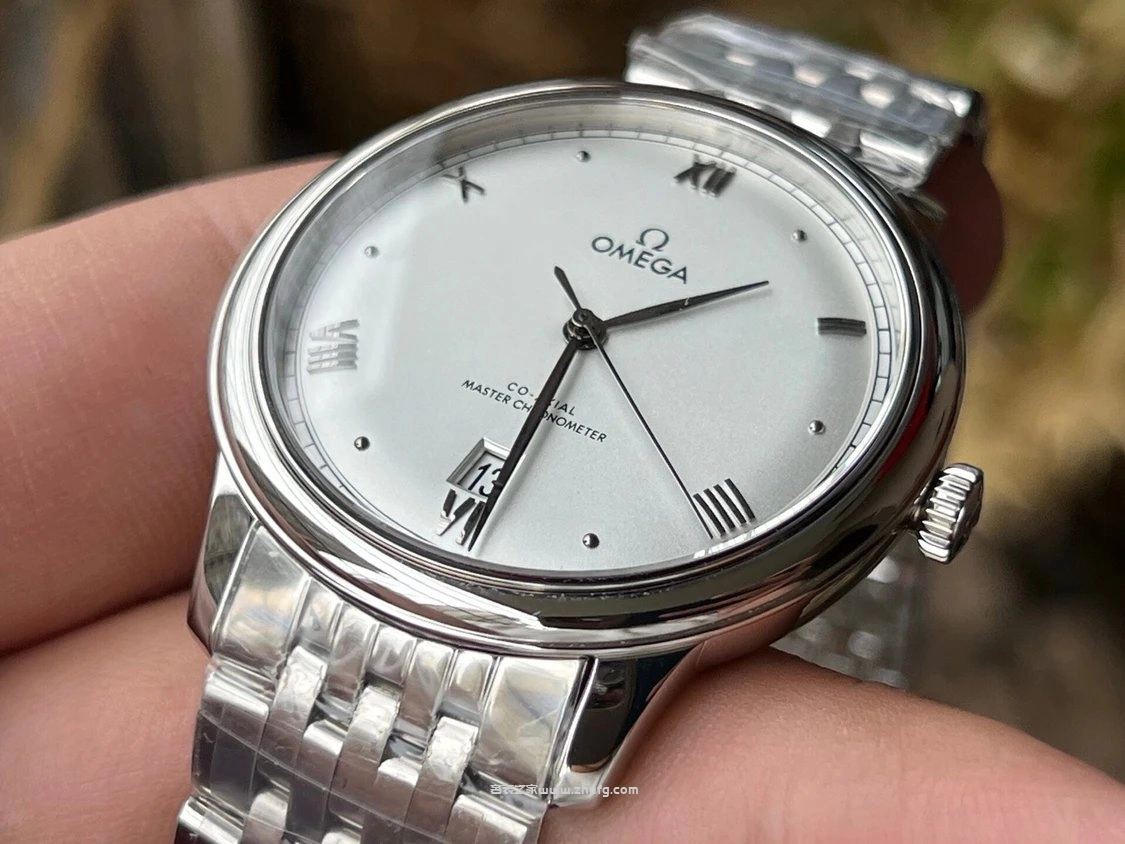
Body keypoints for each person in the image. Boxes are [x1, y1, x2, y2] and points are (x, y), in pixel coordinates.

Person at [0, 149, 1121, 844]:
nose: (585, 327)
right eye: (585, 316)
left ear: (927, 502)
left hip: (555, 667)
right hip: (314, 539)